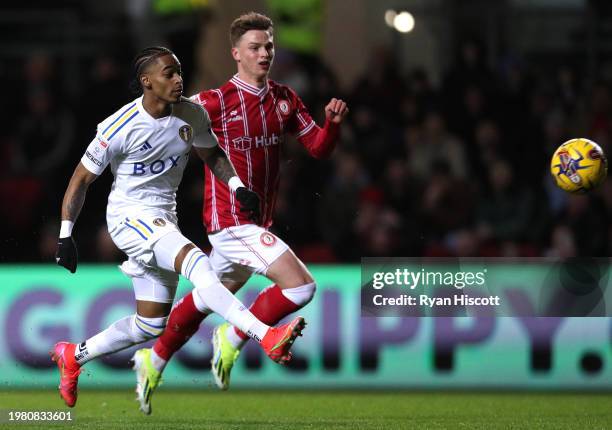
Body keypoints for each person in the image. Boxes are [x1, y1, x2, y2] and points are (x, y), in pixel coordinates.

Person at [50, 46, 306, 412]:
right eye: (169, 73)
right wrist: (65, 235)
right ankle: (266, 336)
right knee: (199, 265)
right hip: (129, 217)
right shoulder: (117, 127)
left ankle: (74, 355)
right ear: (147, 82)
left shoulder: (192, 114)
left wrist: (237, 188)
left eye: (179, 72)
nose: (178, 79)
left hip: (163, 219)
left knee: (150, 326)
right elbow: (80, 181)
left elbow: (212, 154)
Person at [133, 12, 348, 409]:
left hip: (256, 221)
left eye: (268, 45)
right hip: (229, 223)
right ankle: (232, 337)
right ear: (236, 53)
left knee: (204, 298)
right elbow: (163, 119)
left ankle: (155, 357)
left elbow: (318, 147)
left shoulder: (285, 99)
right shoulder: (214, 102)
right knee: (301, 287)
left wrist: (331, 125)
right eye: (255, 47)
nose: (264, 53)